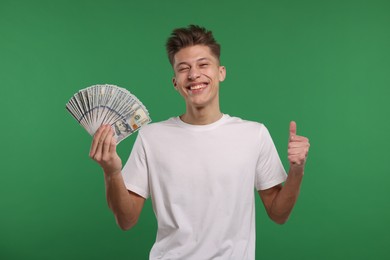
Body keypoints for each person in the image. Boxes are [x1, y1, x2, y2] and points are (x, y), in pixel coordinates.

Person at [89, 25, 310, 260]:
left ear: (221, 72)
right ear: (175, 82)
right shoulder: (151, 137)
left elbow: (279, 214)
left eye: (203, 65)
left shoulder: (254, 134)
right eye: (184, 69)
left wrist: (297, 170)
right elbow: (126, 220)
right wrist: (112, 173)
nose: (194, 74)